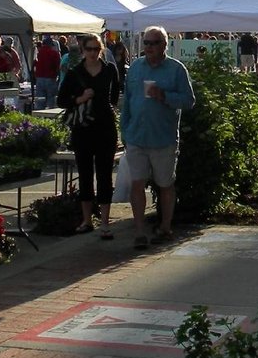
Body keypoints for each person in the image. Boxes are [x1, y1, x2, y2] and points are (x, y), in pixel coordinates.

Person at [118, 25, 196, 250]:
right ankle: (140, 231)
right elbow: (128, 102)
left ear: (165, 45)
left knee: (165, 184)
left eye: (154, 43)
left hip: (163, 138)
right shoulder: (135, 68)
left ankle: (165, 227)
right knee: (137, 183)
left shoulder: (175, 69)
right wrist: (125, 130)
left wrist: (164, 96)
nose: (149, 47)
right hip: (136, 136)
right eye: (146, 43)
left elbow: (188, 101)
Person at [57, 34, 121, 238]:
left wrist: (107, 107)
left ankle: (104, 222)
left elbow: (114, 95)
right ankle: (86, 220)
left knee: (104, 174)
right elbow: (61, 100)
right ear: (83, 50)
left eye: (96, 49)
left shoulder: (110, 69)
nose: (93, 53)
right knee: (84, 174)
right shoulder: (75, 72)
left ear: (101, 49)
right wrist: (80, 99)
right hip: (83, 128)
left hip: (105, 127)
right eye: (89, 49)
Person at [32, 35, 62, 109]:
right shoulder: (54, 53)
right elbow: (58, 66)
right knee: (51, 99)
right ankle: (49, 116)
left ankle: (39, 115)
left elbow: (34, 64)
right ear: (50, 45)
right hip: (50, 78)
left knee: (40, 99)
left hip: (39, 78)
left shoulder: (38, 53)